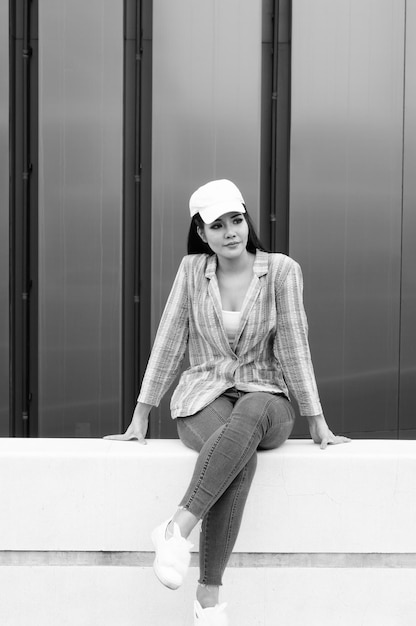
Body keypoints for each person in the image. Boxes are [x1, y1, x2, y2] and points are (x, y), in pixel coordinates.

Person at [105, 179, 350, 626]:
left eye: (236, 220)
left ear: (246, 220)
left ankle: (176, 528)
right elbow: (169, 340)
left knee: (252, 409)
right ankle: (209, 598)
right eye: (217, 225)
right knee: (238, 457)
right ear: (202, 233)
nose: (230, 231)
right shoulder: (191, 271)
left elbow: (295, 345)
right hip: (204, 396)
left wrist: (316, 419)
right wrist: (142, 412)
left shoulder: (280, 270)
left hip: (267, 399)